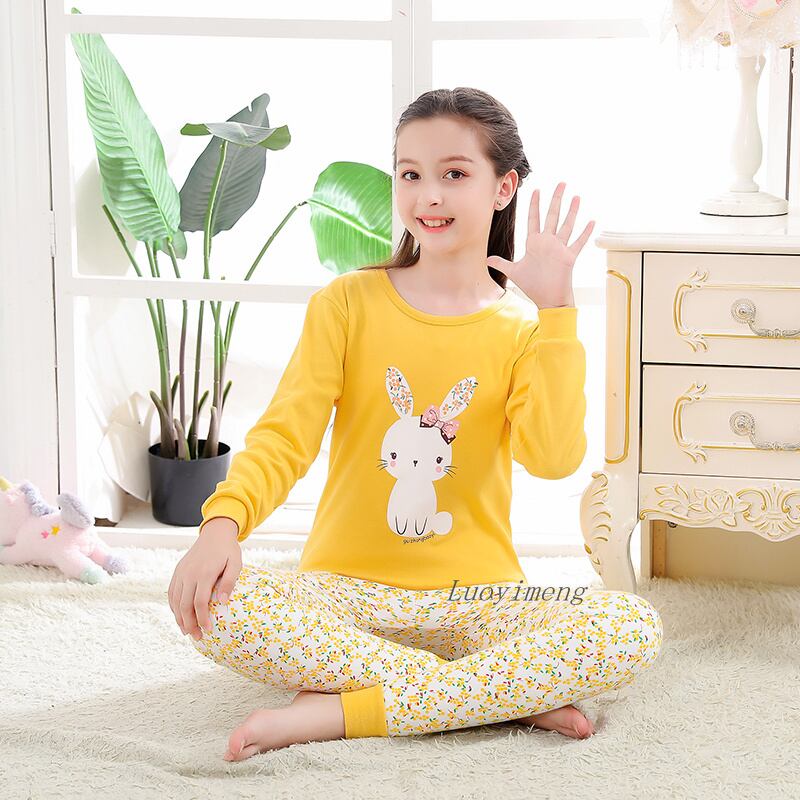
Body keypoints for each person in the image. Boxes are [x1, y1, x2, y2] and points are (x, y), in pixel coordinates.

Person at [168, 87, 663, 763]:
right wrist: (220, 526)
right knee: (220, 604)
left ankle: (345, 709)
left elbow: (552, 459)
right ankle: (501, 695)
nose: (428, 196)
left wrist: (557, 315)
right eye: (411, 174)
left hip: (479, 600)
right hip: (341, 594)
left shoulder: (525, 330)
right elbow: (286, 436)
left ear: (503, 187)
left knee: (630, 624)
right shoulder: (347, 303)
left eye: (454, 173)